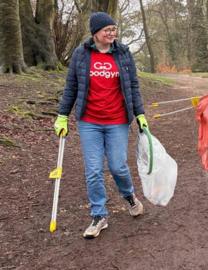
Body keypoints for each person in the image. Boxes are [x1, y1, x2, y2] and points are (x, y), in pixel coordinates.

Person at [53, 12, 149, 239]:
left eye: (114, 29)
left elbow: (133, 86)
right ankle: (98, 215)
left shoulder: (123, 53)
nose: (112, 33)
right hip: (89, 122)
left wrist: (140, 114)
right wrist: (62, 115)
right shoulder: (81, 54)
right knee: (94, 170)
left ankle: (129, 196)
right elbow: (71, 87)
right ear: (95, 33)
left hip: (117, 120)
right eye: (107, 30)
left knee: (117, 166)